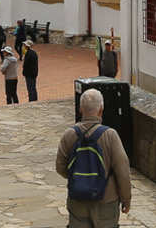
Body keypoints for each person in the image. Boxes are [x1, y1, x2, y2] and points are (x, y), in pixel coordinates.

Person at [55, 88, 132, 228]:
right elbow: (123, 171)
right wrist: (126, 199)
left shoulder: (69, 135)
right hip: (106, 200)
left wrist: (79, 179)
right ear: (101, 109)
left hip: (77, 200)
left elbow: (60, 167)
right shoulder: (110, 135)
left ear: (80, 109)